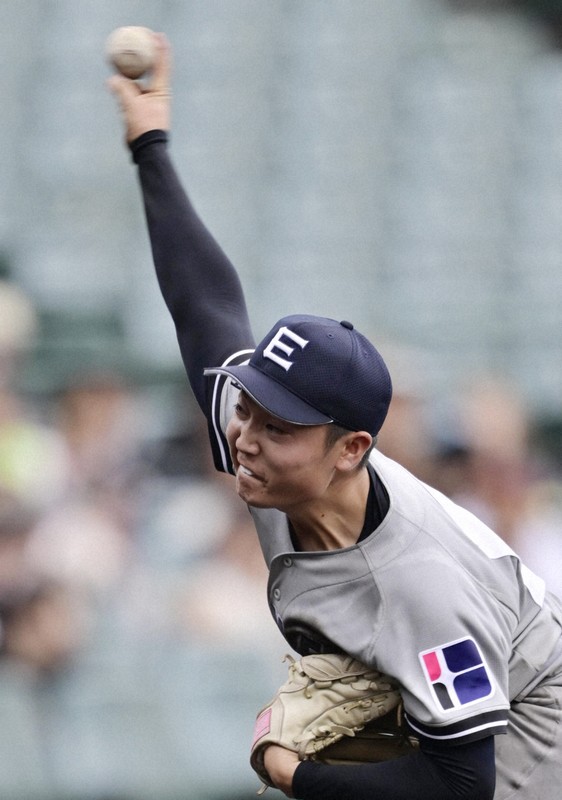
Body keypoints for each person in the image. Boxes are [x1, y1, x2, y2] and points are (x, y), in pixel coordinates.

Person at [107, 34, 562, 800]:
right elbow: (206, 306)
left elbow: (459, 787)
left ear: (350, 449)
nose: (246, 439)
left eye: (278, 427)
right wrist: (151, 146)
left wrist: (294, 773)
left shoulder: (421, 585)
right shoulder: (275, 460)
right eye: (248, 410)